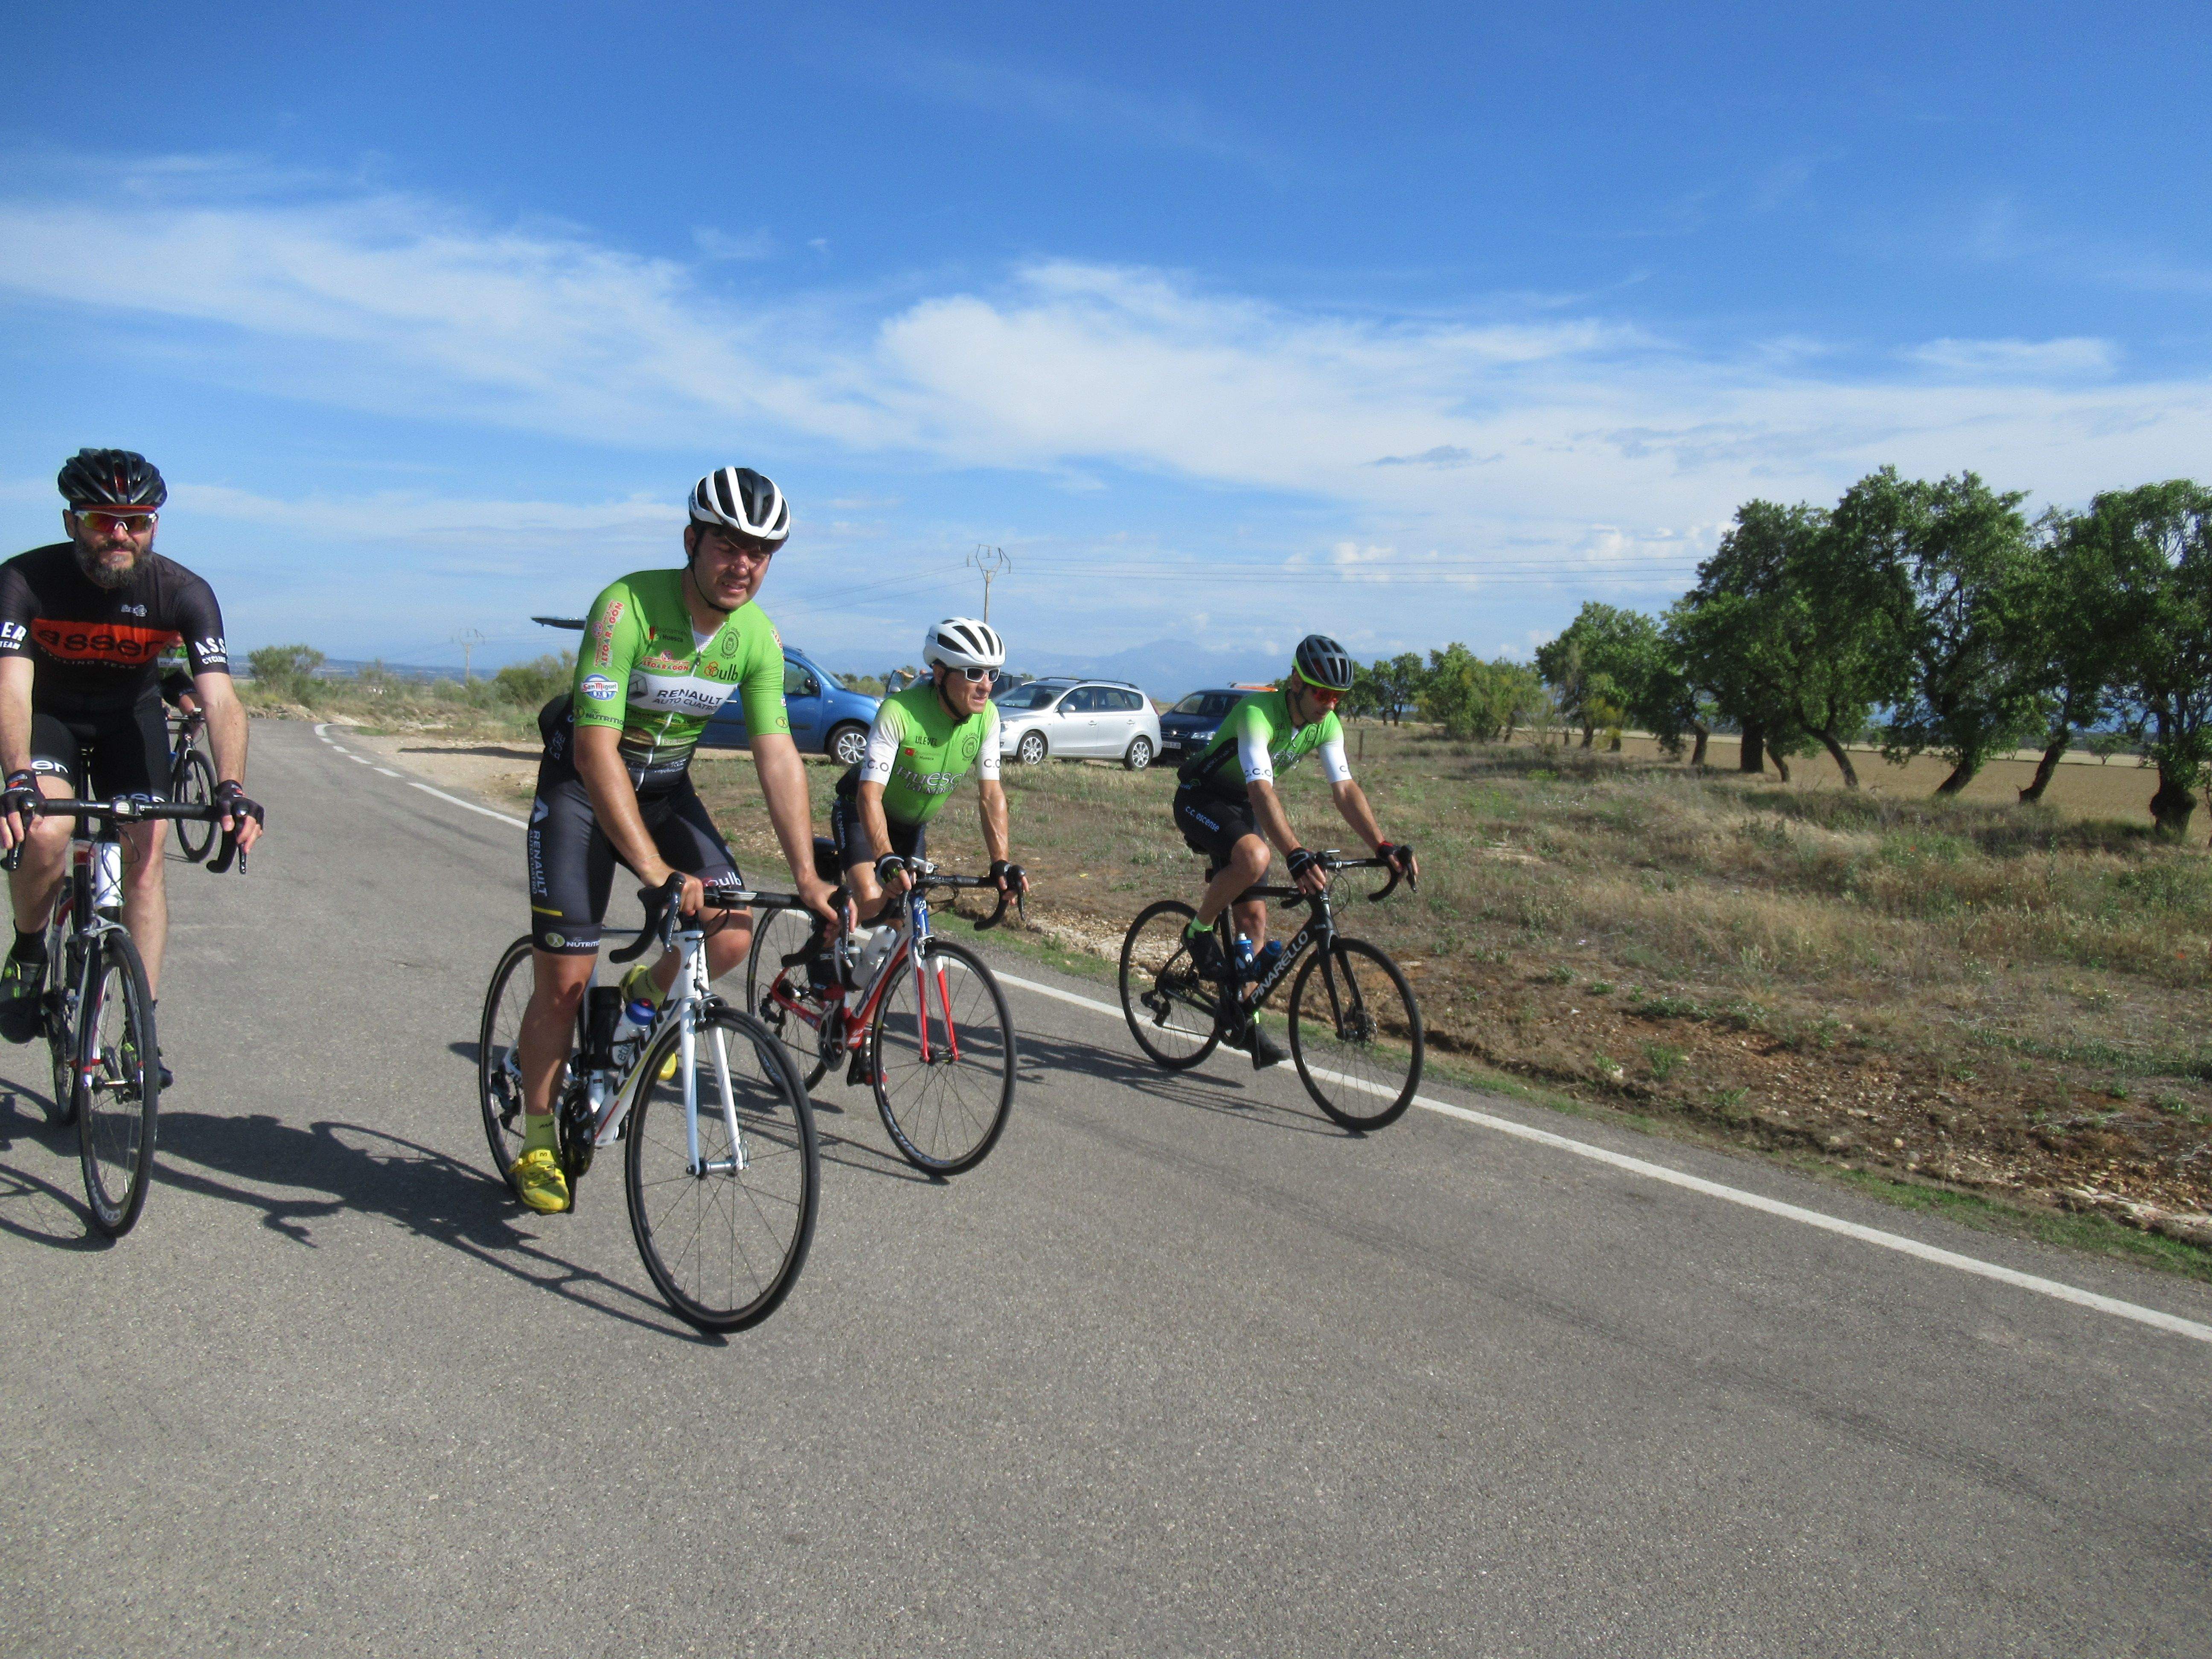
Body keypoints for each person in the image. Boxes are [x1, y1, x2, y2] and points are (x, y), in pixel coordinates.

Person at [511, 465, 840, 1214]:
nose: (743, 565)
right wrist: (657, 871)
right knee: (563, 981)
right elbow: (596, 749)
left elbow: (777, 753)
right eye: (728, 544)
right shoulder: (624, 607)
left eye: (761, 552)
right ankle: (536, 1137)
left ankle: (640, 997)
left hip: (663, 789)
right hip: (581, 790)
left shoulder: (754, 635)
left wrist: (808, 874)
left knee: (727, 933)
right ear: (691, 539)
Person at [0, 449, 265, 1068]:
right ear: (72, 523)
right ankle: (31, 947)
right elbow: (11, 686)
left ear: (154, 527)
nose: (120, 534)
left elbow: (221, 699)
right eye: (102, 520)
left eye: (137, 521)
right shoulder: (22, 581)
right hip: (50, 717)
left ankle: (139, 1029)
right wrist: (16, 774)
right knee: (46, 831)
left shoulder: (184, 591)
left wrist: (231, 787)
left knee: (145, 860)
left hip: (130, 720)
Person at [1169, 633, 1417, 1068]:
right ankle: (1199, 931)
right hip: (1202, 797)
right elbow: (1261, 788)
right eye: (1323, 693)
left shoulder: (1327, 724)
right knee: (1256, 858)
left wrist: (1381, 844)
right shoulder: (1256, 713)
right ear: (1296, 684)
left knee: (1255, 918)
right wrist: (1295, 853)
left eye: (1338, 697)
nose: (1330, 704)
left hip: (1243, 806)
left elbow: (1344, 790)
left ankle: (1247, 1017)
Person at [826, 617, 1025, 975]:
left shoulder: (988, 718)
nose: (985, 687)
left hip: (912, 826)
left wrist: (1001, 863)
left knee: (900, 922)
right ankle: (829, 922)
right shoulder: (899, 712)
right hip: (861, 814)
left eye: (992, 675)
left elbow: (991, 793)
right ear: (939, 673)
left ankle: (863, 1006)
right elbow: (869, 794)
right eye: (972, 674)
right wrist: (884, 857)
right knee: (874, 904)